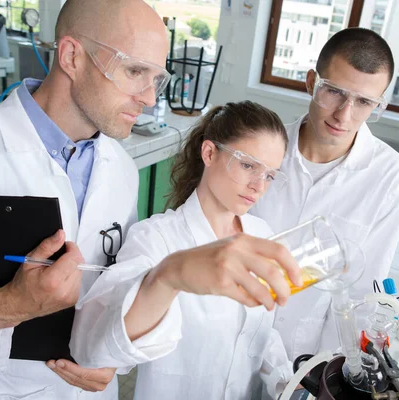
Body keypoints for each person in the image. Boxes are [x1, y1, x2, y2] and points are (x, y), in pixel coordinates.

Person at [0, 1, 300, 398]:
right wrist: (9, 305)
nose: (149, 97)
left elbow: (113, 296)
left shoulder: (120, 170)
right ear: (72, 56)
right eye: (134, 71)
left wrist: (113, 357)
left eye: (156, 78)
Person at [71, 101, 301, 399]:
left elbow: (259, 335)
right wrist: (168, 276)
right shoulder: (156, 238)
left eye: (270, 175)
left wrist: (285, 383)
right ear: (209, 153)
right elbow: (100, 345)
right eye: (248, 165)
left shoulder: (263, 236)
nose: (259, 186)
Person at [251, 28, 399, 361]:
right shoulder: (261, 148)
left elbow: (363, 288)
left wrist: (326, 369)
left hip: (302, 357)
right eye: (334, 92)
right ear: (312, 82)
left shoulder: (389, 176)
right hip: (229, 331)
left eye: (364, 102)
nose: (344, 114)